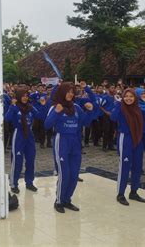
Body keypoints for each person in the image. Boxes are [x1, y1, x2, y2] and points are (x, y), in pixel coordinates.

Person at [44, 82, 95, 213]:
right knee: (64, 174)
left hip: (75, 143)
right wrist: (56, 112)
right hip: (61, 141)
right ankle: (59, 201)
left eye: (73, 92)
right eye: (68, 91)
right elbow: (47, 125)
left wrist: (89, 111)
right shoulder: (56, 107)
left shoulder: (77, 107)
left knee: (74, 174)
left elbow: (86, 122)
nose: (70, 94)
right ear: (62, 92)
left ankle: (67, 199)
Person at [110, 88, 145, 205]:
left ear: (135, 98)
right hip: (125, 139)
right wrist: (117, 103)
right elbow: (113, 117)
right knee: (125, 166)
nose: (128, 98)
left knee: (137, 167)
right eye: (126, 96)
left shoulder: (138, 108)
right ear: (122, 97)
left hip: (137, 139)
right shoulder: (121, 108)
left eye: (131, 96)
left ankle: (134, 192)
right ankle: (120, 194)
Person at [5, 87, 46, 194]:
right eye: (23, 96)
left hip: (29, 135)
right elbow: (7, 119)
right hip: (18, 135)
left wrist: (42, 105)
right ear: (18, 96)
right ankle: (13, 183)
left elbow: (40, 116)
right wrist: (12, 106)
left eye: (26, 96)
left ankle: (29, 182)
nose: (25, 98)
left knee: (31, 160)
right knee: (17, 161)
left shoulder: (30, 107)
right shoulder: (15, 107)